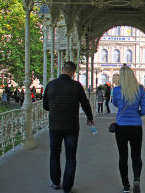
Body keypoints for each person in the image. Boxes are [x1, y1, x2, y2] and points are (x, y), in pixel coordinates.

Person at [43, 61, 94, 193]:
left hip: (55, 126)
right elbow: (85, 103)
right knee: (71, 156)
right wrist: (90, 117)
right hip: (71, 126)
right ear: (73, 72)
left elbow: (45, 106)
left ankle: (55, 182)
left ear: (62, 69)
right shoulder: (76, 86)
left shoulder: (50, 85)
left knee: (54, 153)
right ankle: (67, 187)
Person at [112, 65, 145, 193]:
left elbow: (115, 104)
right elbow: (144, 110)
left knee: (123, 156)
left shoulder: (116, 90)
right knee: (136, 155)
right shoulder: (139, 90)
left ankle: (126, 185)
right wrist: (136, 114)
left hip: (121, 127)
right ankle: (136, 179)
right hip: (136, 127)